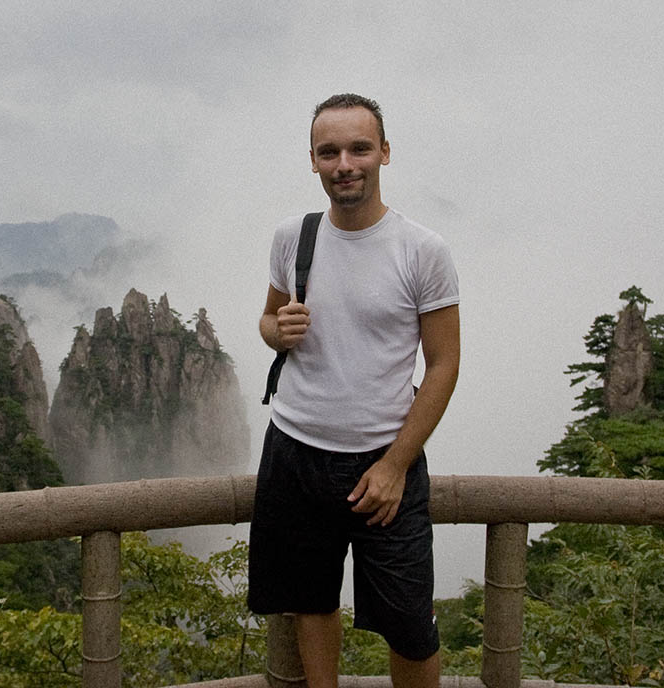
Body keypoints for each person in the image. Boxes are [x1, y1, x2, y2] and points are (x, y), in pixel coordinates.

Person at [248, 93, 460, 688]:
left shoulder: (422, 250)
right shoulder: (294, 237)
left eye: (359, 148)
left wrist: (396, 466)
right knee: (310, 601)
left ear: (384, 153)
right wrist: (276, 329)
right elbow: (269, 322)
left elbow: (444, 364)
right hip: (294, 449)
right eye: (329, 151)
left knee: (409, 625)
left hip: (383, 462)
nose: (345, 163)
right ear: (312, 161)